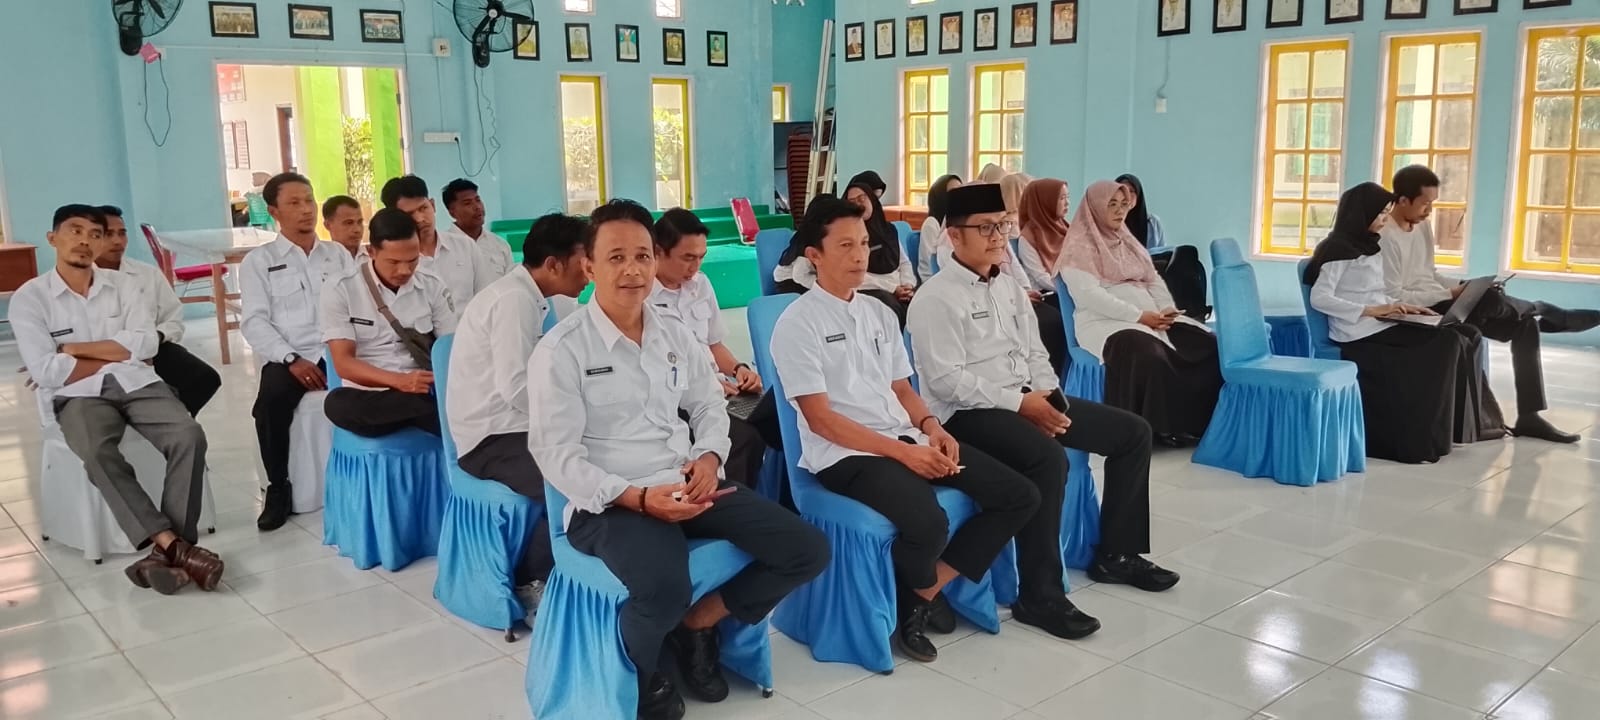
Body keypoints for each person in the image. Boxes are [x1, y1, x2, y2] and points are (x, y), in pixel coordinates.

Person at [528, 199, 828, 719]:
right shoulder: (562, 350)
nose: (632, 270)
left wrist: (709, 457)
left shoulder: (672, 333)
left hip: (687, 480)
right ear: (589, 267)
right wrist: (639, 499)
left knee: (806, 549)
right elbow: (555, 454)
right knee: (665, 587)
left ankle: (699, 624)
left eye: (642, 256)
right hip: (610, 502)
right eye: (616, 257)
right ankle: (643, 678)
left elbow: (708, 404)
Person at [771, 197, 1090, 664]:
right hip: (845, 454)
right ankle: (917, 600)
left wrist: (931, 427)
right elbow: (821, 420)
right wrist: (905, 454)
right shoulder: (797, 324)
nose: (860, 255)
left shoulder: (879, 313)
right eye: (845, 246)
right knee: (927, 522)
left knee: (1020, 496)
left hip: (905, 435)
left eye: (863, 243)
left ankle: (921, 592)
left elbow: (903, 388)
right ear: (814, 255)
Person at [909, 184, 1177, 612]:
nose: (998, 237)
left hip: (1025, 398)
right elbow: (946, 383)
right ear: (955, 236)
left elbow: (1035, 353)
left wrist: (1049, 397)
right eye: (985, 228)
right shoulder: (935, 298)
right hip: (966, 415)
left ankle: (1117, 554)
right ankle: (1040, 594)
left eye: (1002, 226)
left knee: (1133, 433)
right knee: (1048, 459)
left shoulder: (1008, 287)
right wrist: (1021, 405)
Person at [9, 205, 224, 594]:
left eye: (94, 234)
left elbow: (145, 346)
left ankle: (164, 554)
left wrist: (73, 349)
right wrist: (115, 353)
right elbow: (46, 371)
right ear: (52, 238)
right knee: (96, 450)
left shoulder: (125, 286)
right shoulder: (31, 298)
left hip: (138, 383)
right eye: (74, 231)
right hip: (78, 396)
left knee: (188, 435)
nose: (85, 241)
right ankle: (174, 545)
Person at [1381, 164, 1596, 444]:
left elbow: (1430, 274)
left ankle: (1529, 416)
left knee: (1525, 325)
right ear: (1402, 200)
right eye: (1425, 204)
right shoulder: (1385, 237)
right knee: (1493, 300)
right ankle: (1543, 309)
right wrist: (1452, 294)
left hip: (1443, 300)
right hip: (1421, 313)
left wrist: (1464, 286)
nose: (1429, 211)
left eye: (1433, 203)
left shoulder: (1422, 227)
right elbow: (1396, 296)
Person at [447, 212, 590, 613]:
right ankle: (533, 580)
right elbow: (516, 388)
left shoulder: (531, 297)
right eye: (584, 260)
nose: (590, 271)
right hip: (491, 439)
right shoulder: (513, 301)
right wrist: (571, 419)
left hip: (515, 427)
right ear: (553, 264)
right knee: (570, 476)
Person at [1306, 182, 1479, 464]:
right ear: (1361, 214)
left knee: (1456, 333)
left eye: (1387, 213)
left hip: (1381, 322)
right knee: (1444, 344)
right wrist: (1371, 310)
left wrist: (1404, 307)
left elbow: (1375, 291)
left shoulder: (1370, 245)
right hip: (1357, 332)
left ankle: (1441, 435)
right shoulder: (1338, 250)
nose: (1385, 219)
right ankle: (1417, 441)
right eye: (1380, 214)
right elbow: (1320, 298)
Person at [1058, 181, 1222, 447]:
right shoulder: (1078, 249)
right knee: (1147, 353)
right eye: (1112, 204)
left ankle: (1198, 423)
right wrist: (1138, 316)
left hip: (1150, 317)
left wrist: (1165, 309)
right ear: (1095, 207)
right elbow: (1090, 296)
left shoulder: (1127, 242)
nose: (1119, 211)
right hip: (1106, 323)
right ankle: (1159, 428)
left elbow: (1152, 278)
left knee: (1208, 344)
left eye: (1124, 204)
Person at [240, 172, 355, 531]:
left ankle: (362, 477)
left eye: (309, 200)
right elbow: (254, 322)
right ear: (274, 211)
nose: (306, 209)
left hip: (337, 347)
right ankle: (278, 487)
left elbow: (358, 305)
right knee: (269, 404)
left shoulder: (337, 255)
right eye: (294, 203)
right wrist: (291, 359)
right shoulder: (258, 262)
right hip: (291, 354)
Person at [650, 208, 771, 489]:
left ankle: (782, 498)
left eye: (701, 257)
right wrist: (708, 384)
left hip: (723, 390)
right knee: (744, 438)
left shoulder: (700, 285)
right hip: (682, 400)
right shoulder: (643, 299)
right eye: (687, 258)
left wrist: (739, 370)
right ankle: (731, 501)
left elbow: (714, 344)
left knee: (784, 418)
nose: (695, 266)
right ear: (658, 252)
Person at [321, 208, 459, 438]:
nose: (404, 270)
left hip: (424, 388)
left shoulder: (432, 285)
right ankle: (428, 416)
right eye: (394, 262)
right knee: (336, 404)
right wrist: (400, 382)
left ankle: (425, 414)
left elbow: (450, 348)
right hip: (372, 394)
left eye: (412, 260)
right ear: (371, 252)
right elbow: (344, 363)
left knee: (462, 398)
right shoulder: (341, 288)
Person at [94, 206, 221, 417]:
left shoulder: (147, 274)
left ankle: (173, 421)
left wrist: (155, 339)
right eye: (108, 234)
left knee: (204, 379)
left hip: (153, 347)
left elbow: (173, 318)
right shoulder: (80, 280)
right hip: (102, 354)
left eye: (122, 233)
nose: (117, 241)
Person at [381, 175, 498, 307]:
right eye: (409, 214)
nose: (420, 219)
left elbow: (486, 297)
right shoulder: (395, 263)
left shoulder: (466, 247)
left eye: (423, 208)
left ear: (433, 205)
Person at [1116, 173, 1210, 322]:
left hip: (1151, 263)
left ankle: (1192, 312)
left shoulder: (1151, 221)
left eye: (1132, 191)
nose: (1127, 195)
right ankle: (1193, 311)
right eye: (1123, 190)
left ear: (1139, 196)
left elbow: (1160, 248)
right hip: (1126, 267)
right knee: (1183, 257)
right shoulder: (1109, 222)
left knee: (1188, 257)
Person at [843, 181, 918, 325]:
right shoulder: (848, 236)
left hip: (898, 287)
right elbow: (855, 274)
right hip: (869, 288)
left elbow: (904, 262)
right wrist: (893, 288)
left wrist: (907, 285)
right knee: (890, 308)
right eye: (852, 201)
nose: (858, 204)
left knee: (922, 303)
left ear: (872, 199)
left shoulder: (889, 230)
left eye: (862, 198)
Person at [441, 178, 516, 277]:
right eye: (467, 203)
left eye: (478, 200)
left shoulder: (500, 245)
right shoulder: (443, 247)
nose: (477, 207)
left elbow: (510, 282)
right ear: (452, 212)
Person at [1017, 178, 1069, 294]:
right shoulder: (1028, 237)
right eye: (1062, 198)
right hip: (1048, 294)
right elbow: (1041, 277)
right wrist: (1071, 289)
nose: (1067, 203)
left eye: (1067, 197)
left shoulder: (1064, 227)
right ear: (1045, 202)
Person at [918, 174, 963, 279]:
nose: (958, 196)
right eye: (953, 192)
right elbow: (929, 264)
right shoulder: (931, 224)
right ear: (941, 197)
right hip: (934, 280)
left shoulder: (960, 222)